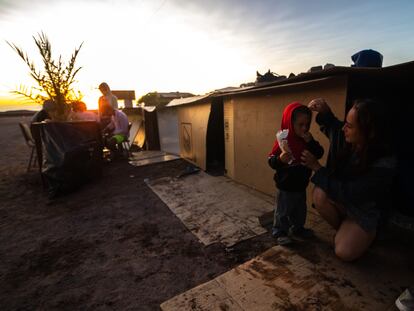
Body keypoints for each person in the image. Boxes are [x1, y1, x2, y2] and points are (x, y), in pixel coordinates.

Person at [301, 98, 396, 261]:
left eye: (350, 125)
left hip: (364, 211)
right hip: (346, 203)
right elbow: (334, 127)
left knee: (344, 252)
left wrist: (317, 168)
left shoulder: (384, 163)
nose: (344, 128)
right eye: (346, 122)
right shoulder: (349, 140)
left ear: (370, 132)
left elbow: (352, 193)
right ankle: (347, 230)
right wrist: (325, 112)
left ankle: (366, 234)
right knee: (319, 195)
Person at [268, 102, 324, 245]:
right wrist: (280, 159)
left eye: (307, 124)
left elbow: (319, 153)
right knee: (283, 211)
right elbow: (271, 161)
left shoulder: (306, 140)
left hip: (301, 184)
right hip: (286, 186)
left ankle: (297, 228)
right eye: (300, 125)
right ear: (290, 123)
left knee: (300, 210)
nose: (305, 128)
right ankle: (280, 231)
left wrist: (310, 141)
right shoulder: (282, 141)